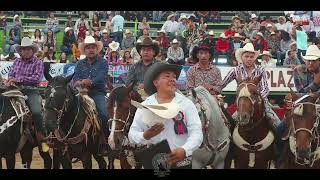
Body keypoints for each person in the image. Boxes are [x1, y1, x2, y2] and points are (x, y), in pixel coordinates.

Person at [128, 62, 203, 168]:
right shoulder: (145, 106)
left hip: (182, 161)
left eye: (174, 77)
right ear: (156, 82)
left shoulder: (186, 104)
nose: (172, 79)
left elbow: (196, 132)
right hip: (155, 162)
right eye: (167, 76)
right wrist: (144, 136)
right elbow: (132, 133)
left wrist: (185, 150)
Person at [221, 43, 283, 133]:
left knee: (277, 124)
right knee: (230, 125)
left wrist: (256, 99)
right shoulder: (236, 70)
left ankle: (279, 143)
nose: (249, 59)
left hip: (260, 104)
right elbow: (222, 84)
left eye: (251, 57)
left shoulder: (260, 70)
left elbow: (265, 89)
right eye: (246, 56)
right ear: (242, 57)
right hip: (242, 104)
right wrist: (214, 89)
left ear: (254, 58)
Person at [4, 37, 48, 152]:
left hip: (31, 90)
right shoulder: (16, 61)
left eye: (28, 49)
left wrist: (17, 79)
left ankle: (43, 138)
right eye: (24, 49)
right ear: (21, 51)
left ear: (32, 51)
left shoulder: (38, 63)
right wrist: (9, 80)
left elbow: (36, 78)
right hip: (14, 90)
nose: (26, 51)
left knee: (37, 111)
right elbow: (10, 74)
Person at [73, 35, 109, 139]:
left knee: (104, 114)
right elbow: (75, 77)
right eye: (88, 48)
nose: (91, 50)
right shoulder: (79, 63)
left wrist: (90, 82)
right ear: (84, 50)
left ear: (96, 49)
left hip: (97, 93)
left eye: (93, 47)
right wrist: (79, 82)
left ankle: (105, 140)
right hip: (81, 93)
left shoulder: (103, 62)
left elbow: (102, 77)